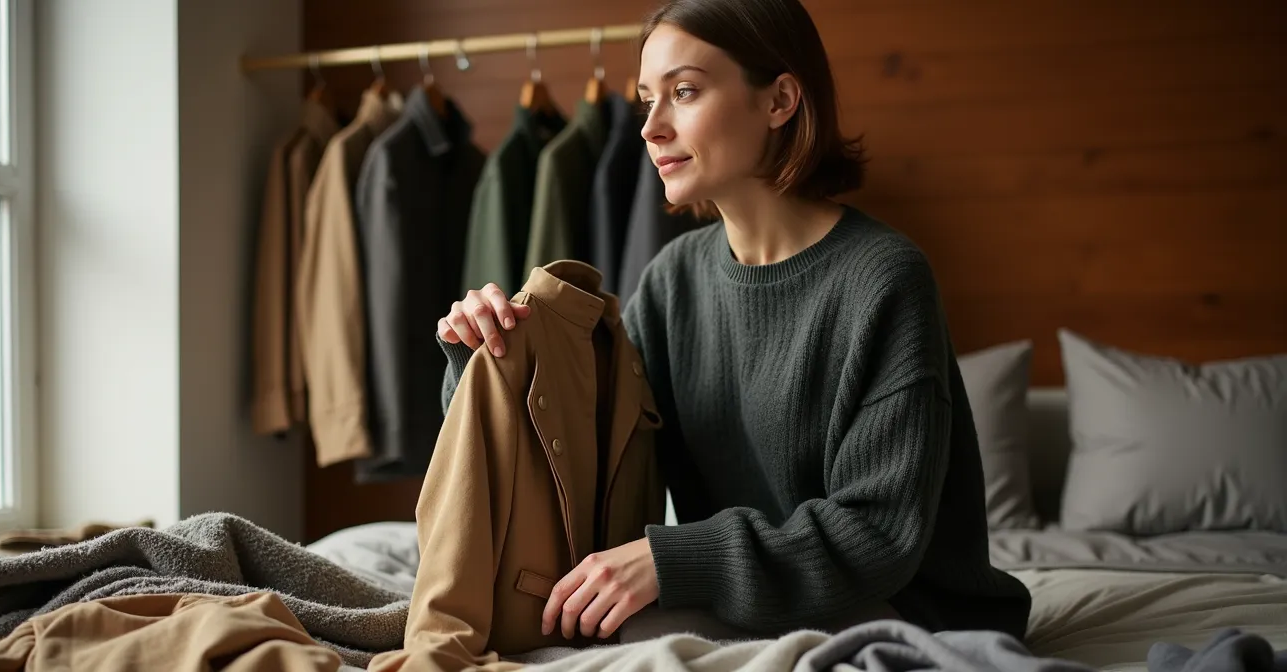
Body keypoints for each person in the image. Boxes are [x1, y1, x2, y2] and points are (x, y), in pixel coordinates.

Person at [435, 0, 1032, 645]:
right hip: (743, 609)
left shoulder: (885, 278)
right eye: (646, 100)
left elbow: (878, 534)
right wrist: (485, 356)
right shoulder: (673, 280)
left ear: (779, 100)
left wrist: (675, 559)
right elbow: (575, 460)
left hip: (910, 614)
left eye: (683, 92)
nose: (650, 128)